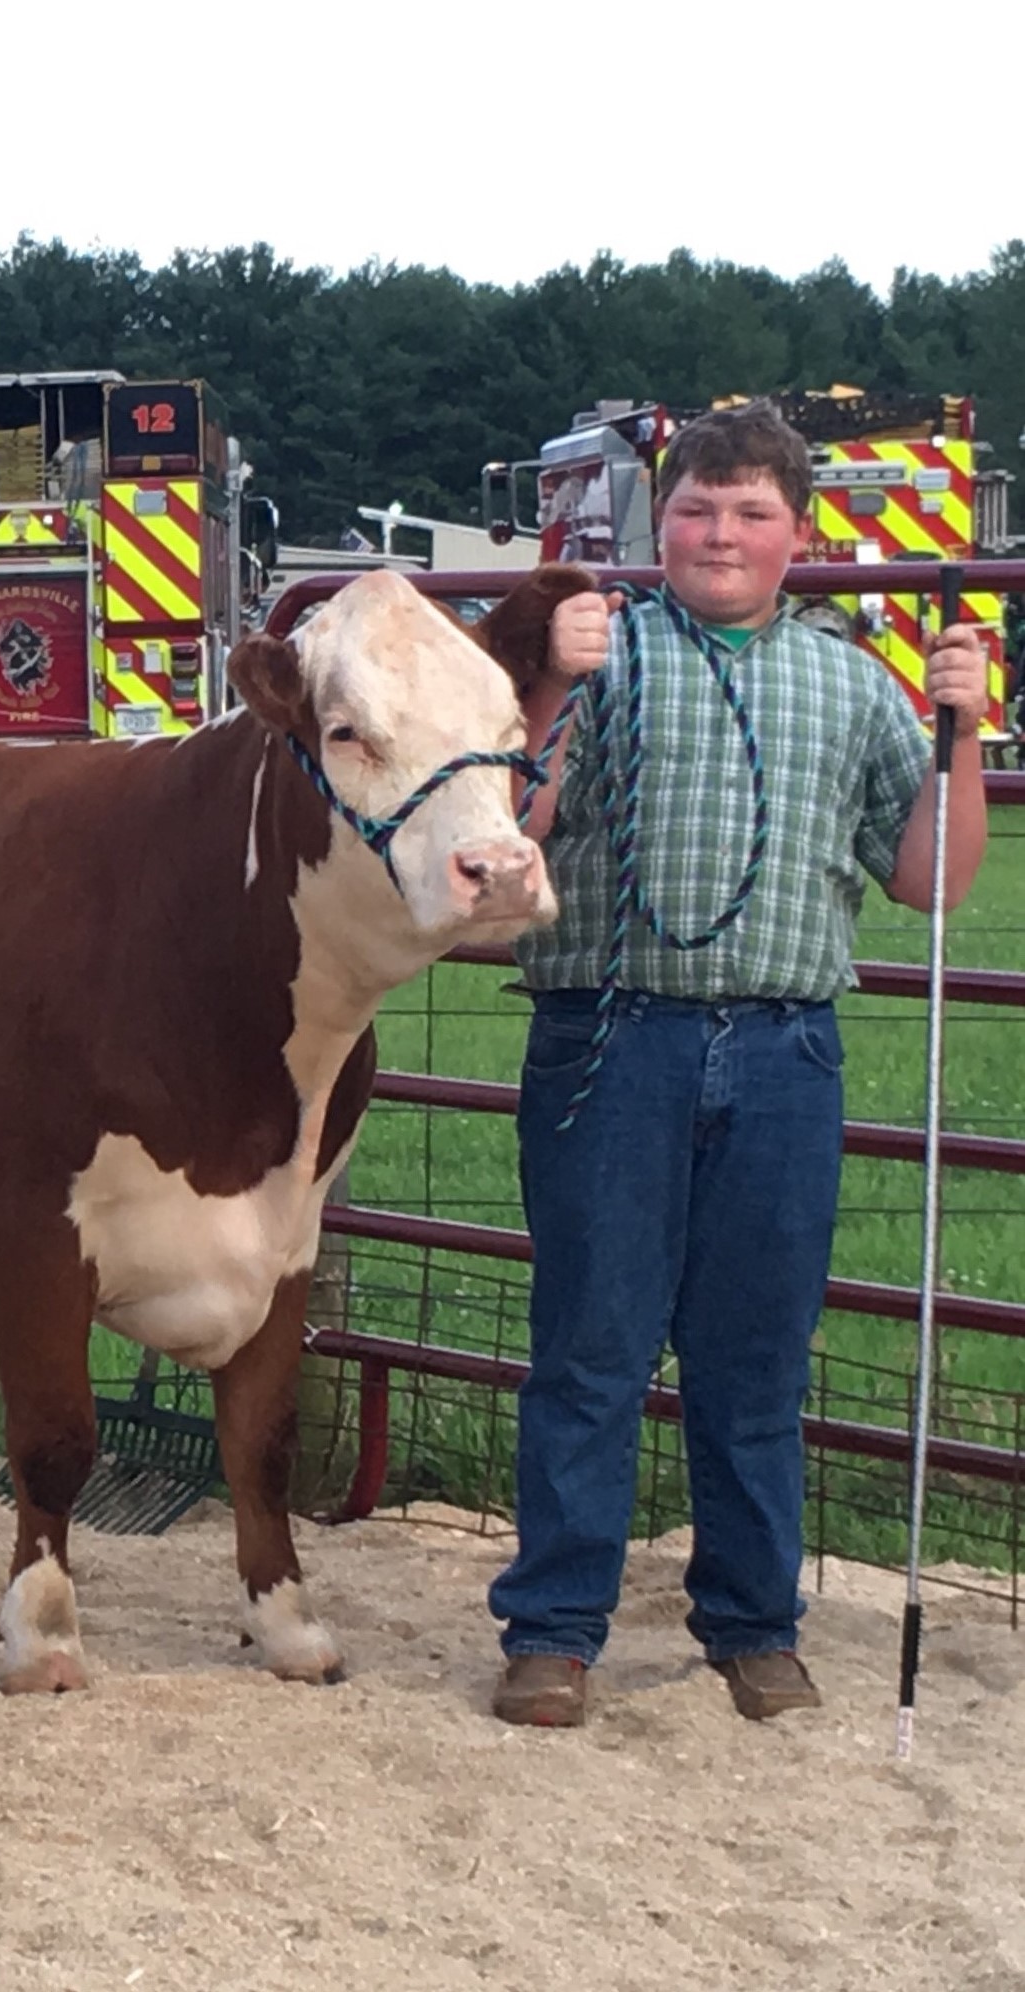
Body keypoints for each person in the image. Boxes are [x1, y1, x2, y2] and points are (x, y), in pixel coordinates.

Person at [489, 403, 992, 1728]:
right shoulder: (603, 658)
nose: (719, 534)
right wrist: (544, 678)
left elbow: (926, 876)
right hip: (610, 1040)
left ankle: (752, 1623)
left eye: (748, 512)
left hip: (781, 1054)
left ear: (796, 533)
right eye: (697, 509)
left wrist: (963, 733)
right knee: (589, 1346)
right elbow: (519, 821)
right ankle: (551, 1628)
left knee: (754, 1356)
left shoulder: (848, 680)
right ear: (660, 524)